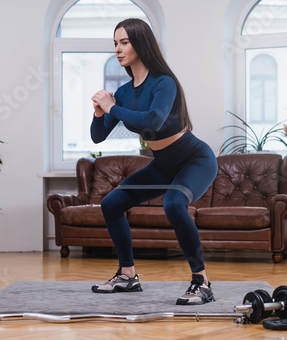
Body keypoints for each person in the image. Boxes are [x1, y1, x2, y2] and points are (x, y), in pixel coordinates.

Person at [90, 18, 218, 305]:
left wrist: (112, 106)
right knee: (111, 203)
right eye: (115, 43)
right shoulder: (123, 93)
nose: (118, 49)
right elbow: (98, 137)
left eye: (124, 42)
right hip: (163, 164)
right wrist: (100, 112)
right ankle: (127, 275)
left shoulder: (164, 83)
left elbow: (154, 120)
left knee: (174, 203)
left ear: (141, 43)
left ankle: (202, 281)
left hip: (195, 160)